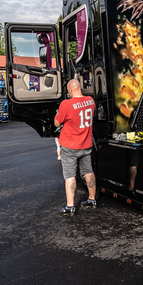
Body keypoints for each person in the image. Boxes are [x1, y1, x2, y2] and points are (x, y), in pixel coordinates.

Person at [54, 79, 96, 215]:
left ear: (70, 90)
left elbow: (56, 123)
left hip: (70, 146)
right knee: (88, 171)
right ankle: (92, 199)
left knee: (70, 176)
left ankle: (70, 207)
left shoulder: (66, 104)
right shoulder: (91, 101)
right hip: (86, 144)